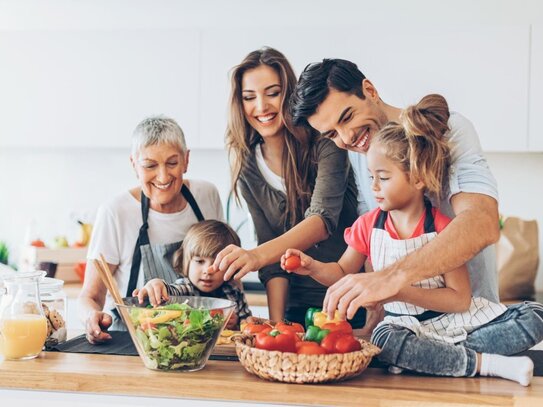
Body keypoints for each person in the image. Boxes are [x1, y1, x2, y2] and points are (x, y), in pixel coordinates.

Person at [283, 94, 543, 386]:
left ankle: (432, 359)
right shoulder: (367, 226)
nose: (374, 188)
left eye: (383, 177)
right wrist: (312, 266)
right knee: (386, 339)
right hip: (404, 328)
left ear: (418, 178)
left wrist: (398, 290)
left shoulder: (446, 230)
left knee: (534, 315)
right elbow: (342, 272)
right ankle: (483, 363)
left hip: (456, 323)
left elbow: (459, 300)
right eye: (371, 177)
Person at [290, 59, 501, 320]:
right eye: (331, 134)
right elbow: (373, 247)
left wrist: (392, 279)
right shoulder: (361, 151)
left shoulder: (450, 130)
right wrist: (374, 322)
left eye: (347, 117)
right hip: (405, 325)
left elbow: (482, 222)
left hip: (473, 318)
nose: (346, 139)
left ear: (370, 90)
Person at [213, 47, 362, 326]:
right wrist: (277, 326)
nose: (261, 107)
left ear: (290, 95)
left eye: (272, 93)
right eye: (249, 97)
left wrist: (255, 256)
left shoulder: (326, 142)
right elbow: (271, 262)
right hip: (294, 308)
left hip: (348, 302)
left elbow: (321, 220)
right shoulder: (247, 167)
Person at [78, 116, 224, 343]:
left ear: (186, 160)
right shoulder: (116, 212)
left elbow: (226, 269)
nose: (163, 176)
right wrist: (91, 317)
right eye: (150, 165)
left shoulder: (206, 196)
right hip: (132, 343)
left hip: (198, 341)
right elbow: (90, 296)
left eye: (172, 163)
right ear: (134, 164)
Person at [133, 220, 252, 330]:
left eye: (217, 264)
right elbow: (171, 291)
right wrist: (158, 284)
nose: (208, 271)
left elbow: (248, 324)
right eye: (200, 261)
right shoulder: (186, 288)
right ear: (186, 263)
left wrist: (237, 322)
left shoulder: (234, 292)